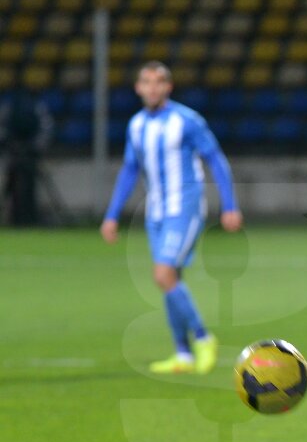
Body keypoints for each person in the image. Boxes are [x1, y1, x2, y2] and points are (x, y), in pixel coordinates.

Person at [100, 61, 242, 374]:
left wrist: (230, 205)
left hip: (185, 209)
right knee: (171, 281)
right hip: (157, 212)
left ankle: (204, 338)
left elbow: (216, 160)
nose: (152, 87)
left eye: (159, 82)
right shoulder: (136, 125)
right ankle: (183, 354)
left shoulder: (187, 121)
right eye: (146, 82)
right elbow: (130, 170)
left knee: (162, 275)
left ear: (168, 87)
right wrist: (112, 215)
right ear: (138, 88)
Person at [0, 89, 54, 226]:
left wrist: (33, 147)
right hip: (17, 154)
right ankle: (17, 217)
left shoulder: (34, 109)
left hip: (27, 154)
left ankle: (27, 217)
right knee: (14, 185)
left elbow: (46, 129)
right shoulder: (12, 109)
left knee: (28, 186)